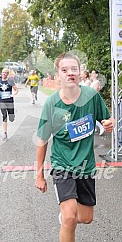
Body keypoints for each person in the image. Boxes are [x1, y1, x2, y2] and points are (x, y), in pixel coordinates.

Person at [35, 53, 115, 242]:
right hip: (62, 164)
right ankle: (67, 218)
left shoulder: (91, 97)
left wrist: (109, 123)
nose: (70, 73)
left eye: (74, 69)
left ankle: (66, 218)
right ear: (57, 76)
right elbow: (42, 140)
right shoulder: (52, 104)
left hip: (86, 166)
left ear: (80, 74)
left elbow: (107, 119)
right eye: (64, 70)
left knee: (86, 218)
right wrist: (39, 175)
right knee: (70, 218)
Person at [0, 68, 18, 141]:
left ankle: (12, 115)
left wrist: (13, 94)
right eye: (3, 72)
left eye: (5, 73)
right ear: (1, 73)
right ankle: (5, 133)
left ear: (8, 74)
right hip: (2, 100)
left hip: (9, 101)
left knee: (11, 118)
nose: (4, 74)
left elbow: (16, 90)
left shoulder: (10, 81)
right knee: (4, 115)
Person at [90, 70, 104, 135]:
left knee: (93, 115)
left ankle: (101, 127)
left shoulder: (96, 82)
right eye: (91, 73)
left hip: (94, 100)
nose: (92, 74)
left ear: (96, 75)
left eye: (93, 73)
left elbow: (94, 92)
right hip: (90, 100)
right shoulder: (92, 82)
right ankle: (94, 128)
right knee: (90, 115)